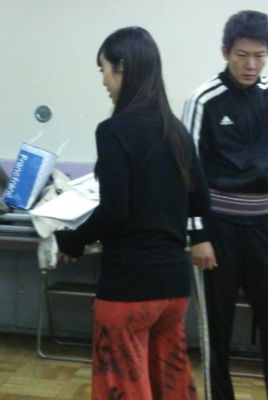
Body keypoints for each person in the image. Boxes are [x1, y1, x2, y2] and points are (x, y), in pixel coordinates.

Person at [55, 27, 210, 400]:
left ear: (121, 67)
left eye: (104, 70)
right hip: (173, 287)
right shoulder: (176, 130)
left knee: (124, 388)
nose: (103, 81)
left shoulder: (113, 130)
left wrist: (73, 240)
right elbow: (200, 202)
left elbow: (114, 210)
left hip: (129, 288)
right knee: (169, 386)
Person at [183, 10, 268, 400]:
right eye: (242, 55)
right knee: (218, 329)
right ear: (225, 51)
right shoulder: (203, 100)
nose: (251, 65)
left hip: (263, 224)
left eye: (260, 56)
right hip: (218, 227)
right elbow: (187, 171)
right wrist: (198, 235)